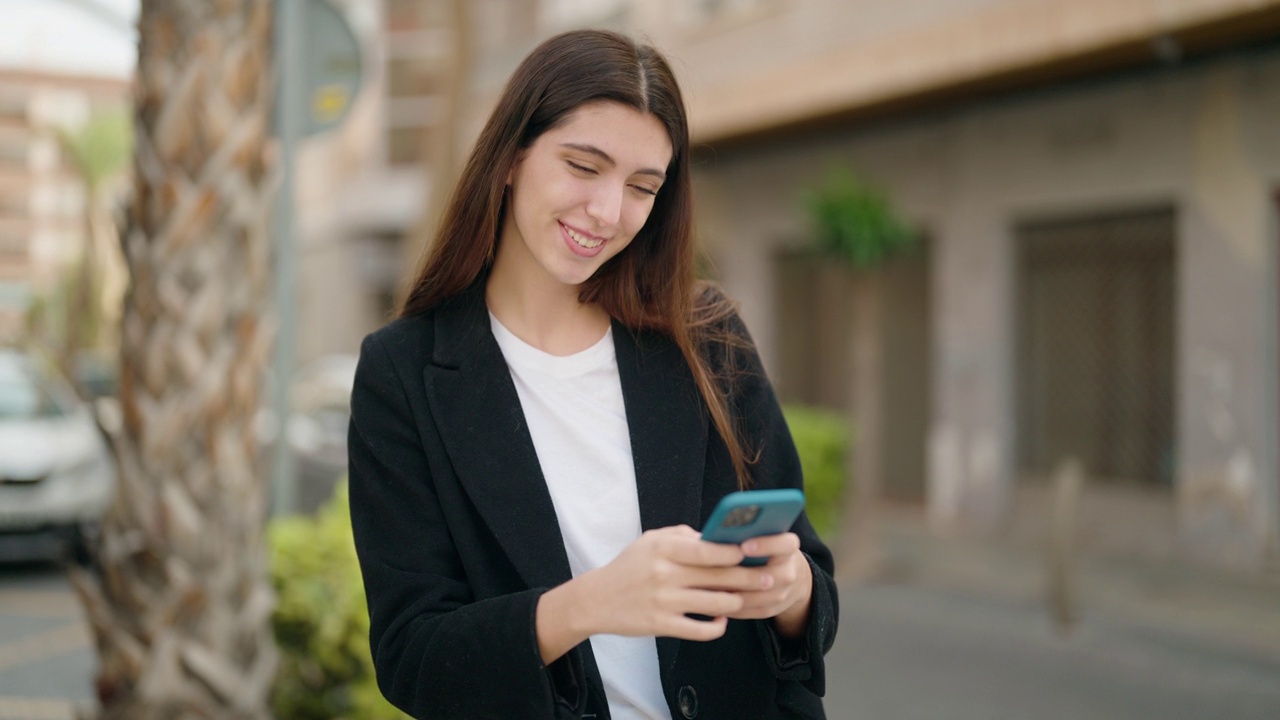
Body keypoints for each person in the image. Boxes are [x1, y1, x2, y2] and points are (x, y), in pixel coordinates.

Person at [347, 28, 838, 720]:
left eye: (643, 186)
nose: (608, 213)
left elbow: (813, 586)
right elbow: (413, 657)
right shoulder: (403, 371)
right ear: (513, 157)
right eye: (584, 166)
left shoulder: (707, 337)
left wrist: (790, 591)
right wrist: (591, 603)